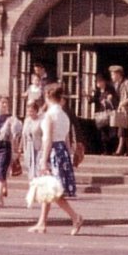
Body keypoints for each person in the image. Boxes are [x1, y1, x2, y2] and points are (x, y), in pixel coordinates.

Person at [27, 83, 83, 235]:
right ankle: (42, 223)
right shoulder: (64, 115)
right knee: (48, 187)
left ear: (47, 96)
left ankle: (75, 216)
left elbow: (48, 139)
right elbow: (66, 138)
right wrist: (68, 155)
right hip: (62, 152)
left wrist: (43, 160)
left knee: (54, 190)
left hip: (52, 152)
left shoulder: (49, 116)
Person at [91, 73, 118, 154]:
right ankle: (105, 150)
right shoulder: (98, 91)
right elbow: (93, 99)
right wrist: (89, 97)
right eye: (97, 82)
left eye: (99, 82)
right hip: (101, 114)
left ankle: (111, 149)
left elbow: (111, 98)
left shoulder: (109, 89)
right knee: (103, 132)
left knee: (111, 132)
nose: (98, 84)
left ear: (103, 82)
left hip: (109, 113)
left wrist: (107, 99)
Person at [109, 65, 128, 156]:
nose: (112, 77)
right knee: (122, 129)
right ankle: (127, 150)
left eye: (113, 75)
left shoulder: (127, 83)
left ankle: (120, 149)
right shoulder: (116, 85)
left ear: (118, 74)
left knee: (122, 130)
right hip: (121, 110)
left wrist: (123, 103)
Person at [20, 102, 43, 180]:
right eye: (28, 111)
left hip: (38, 147)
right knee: (30, 167)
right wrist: (20, 148)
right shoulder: (27, 120)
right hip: (28, 147)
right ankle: (32, 185)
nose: (30, 113)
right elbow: (23, 135)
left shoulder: (41, 121)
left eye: (32, 111)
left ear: (36, 111)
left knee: (37, 168)